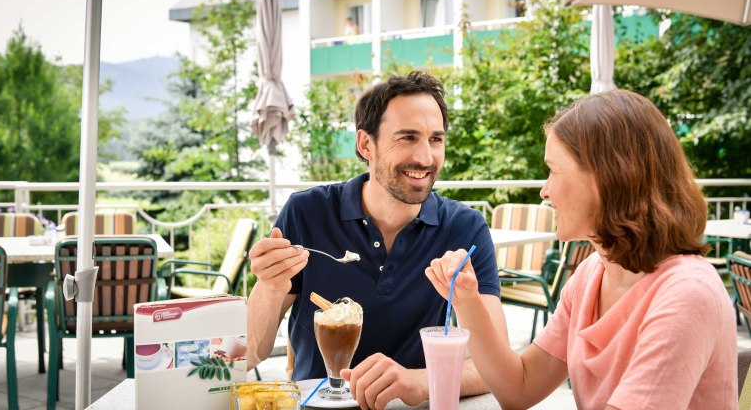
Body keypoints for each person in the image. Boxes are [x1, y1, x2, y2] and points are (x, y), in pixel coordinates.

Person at [426, 89, 738, 409]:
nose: (545, 191)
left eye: (553, 170)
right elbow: (519, 387)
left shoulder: (686, 294)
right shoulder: (592, 274)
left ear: (607, 178)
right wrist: (467, 300)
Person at [247, 71, 507, 409]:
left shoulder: (465, 229)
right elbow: (249, 353)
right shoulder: (306, 213)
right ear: (366, 144)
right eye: (408, 137)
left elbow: (498, 368)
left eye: (436, 139)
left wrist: (420, 380)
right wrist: (269, 286)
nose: (426, 158)